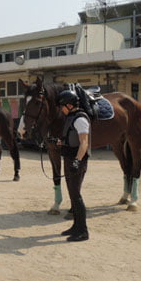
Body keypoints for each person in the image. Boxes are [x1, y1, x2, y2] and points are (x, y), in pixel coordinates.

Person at [57, 89, 90, 242]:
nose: (61, 109)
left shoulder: (80, 119)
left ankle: (83, 231)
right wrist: (58, 142)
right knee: (72, 194)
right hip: (69, 158)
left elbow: (84, 143)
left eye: (62, 106)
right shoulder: (71, 117)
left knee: (76, 195)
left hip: (77, 160)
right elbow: (71, 139)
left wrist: (77, 161)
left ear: (69, 105)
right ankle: (76, 226)